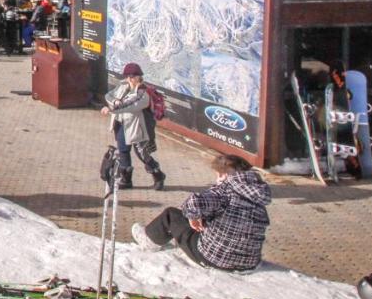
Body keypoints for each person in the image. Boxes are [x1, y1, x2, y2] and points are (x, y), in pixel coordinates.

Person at [132, 154, 271, 272]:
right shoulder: (257, 194)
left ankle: (148, 240)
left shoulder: (225, 190)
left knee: (171, 215)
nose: (217, 178)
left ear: (224, 174)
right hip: (250, 263)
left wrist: (193, 217)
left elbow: (194, 202)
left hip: (215, 259)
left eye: (218, 174)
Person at [101, 62, 165, 190]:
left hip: (137, 127)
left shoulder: (143, 92)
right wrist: (114, 101)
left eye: (132, 76)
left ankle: (158, 175)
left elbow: (130, 105)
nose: (129, 79)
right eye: (127, 76)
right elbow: (108, 95)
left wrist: (112, 108)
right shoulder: (122, 85)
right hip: (121, 123)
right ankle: (126, 180)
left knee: (142, 153)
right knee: (123, 151)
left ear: (138, 76)